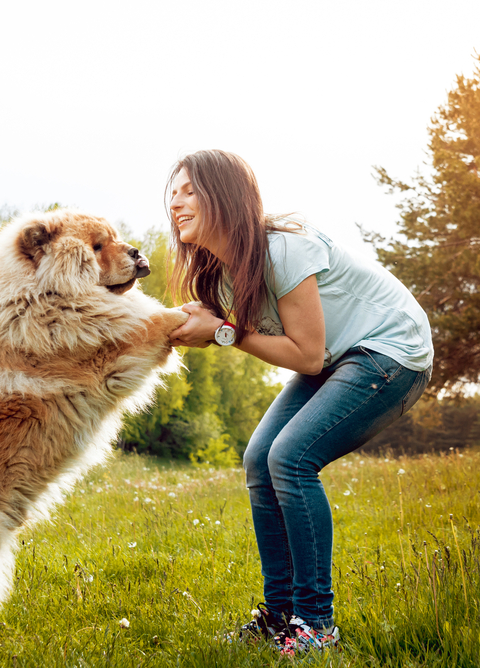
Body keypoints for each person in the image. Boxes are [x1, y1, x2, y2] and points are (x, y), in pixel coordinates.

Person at [166, 149, 433, 656]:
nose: (175, 203)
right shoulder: (222, 272)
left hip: (391, 351)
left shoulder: (283, 250)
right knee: (258, 460)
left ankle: (316, 624)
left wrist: (224, 332)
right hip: (340, 357)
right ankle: (280, 616)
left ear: (223, 194)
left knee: (290, 459)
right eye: (172, 193)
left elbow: (306, 356)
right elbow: (285, 348)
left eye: (188, 190)